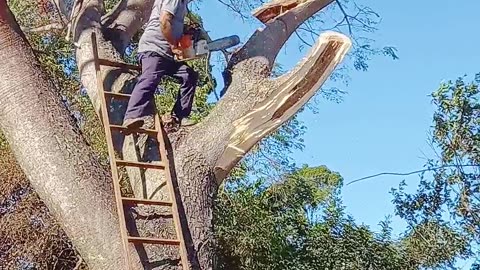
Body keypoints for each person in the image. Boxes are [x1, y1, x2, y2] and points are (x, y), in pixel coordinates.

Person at [122, 0, 198, 134]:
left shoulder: (182, 5)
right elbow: (164, 21)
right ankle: (131, 116)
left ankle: (179, 116)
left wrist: (185, 31)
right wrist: (174, 45)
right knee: (150, 79)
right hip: (154, 48)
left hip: (167, 54)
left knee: (188, 75)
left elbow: (172, 24)